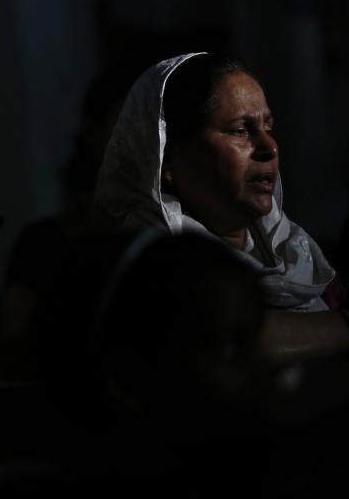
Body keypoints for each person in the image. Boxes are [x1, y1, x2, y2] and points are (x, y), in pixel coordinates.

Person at [95, 52, 349, 363]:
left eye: (268, 128)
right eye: (240, 130)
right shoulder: (146, 267)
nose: (269, 148)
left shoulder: (296, 254)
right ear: (168, 159)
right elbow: (226, 335)